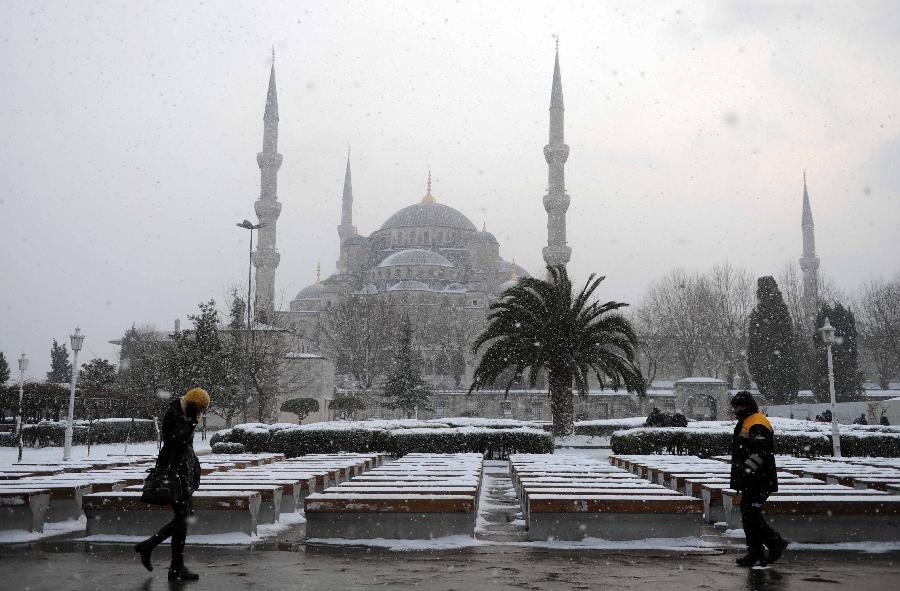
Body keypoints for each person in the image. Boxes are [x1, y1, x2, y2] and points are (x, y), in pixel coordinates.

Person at [135, 388, 209, 581]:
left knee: (184, 518)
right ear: (192, 405)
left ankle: (170, 562)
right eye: (199, 409)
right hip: (173, 474)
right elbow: (177, 441)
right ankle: (169, 561)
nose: (200, 413)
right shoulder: (175, 414)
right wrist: (190, 422)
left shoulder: (183, 414)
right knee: (183, 518)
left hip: (182, 475)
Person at [729, 390, 788, 567]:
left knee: (751, 515)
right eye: (734, 407)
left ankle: (773, 543)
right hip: (753, 479)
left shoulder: (756, 423)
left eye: (738, 406)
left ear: (747, 406)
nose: (735, 410)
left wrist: (746, 470)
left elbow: (760, 451)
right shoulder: (747, 421)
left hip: (759, 479)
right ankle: (756, 552)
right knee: (749, 515)